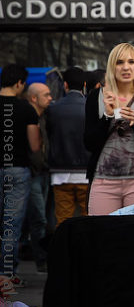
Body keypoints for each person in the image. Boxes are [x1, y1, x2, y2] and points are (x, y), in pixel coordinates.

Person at [84, 43, 134, 215]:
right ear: (112, 66)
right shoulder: (97, 97)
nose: (126, 67)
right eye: (120, 62)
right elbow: (89, 143)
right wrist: (108, 116)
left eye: (131, 62)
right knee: (102, 237)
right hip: (104, 180)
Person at [0, 64, 41, 282]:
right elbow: (34, 146)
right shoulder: (26, 109)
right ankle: (6, 274)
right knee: (11, 223)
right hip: (17, 170)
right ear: (19, 83)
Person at [46, 67, 90, 225]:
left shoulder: (53, 109)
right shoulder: (90, 108)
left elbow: (48, 136)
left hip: (60, 173)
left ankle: (63, 250)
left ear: (65, 85)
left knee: (63, 221)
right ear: (84, 85)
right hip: (86, 172)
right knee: (88, 220)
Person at [24, 81, 52, 272]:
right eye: (46, 95)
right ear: (34, 98)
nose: (51, 98)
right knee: (39, 217)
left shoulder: (46, 117)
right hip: (32, 173)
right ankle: (41, 259)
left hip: (45, 171)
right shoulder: (26, 116)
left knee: (42, 217)